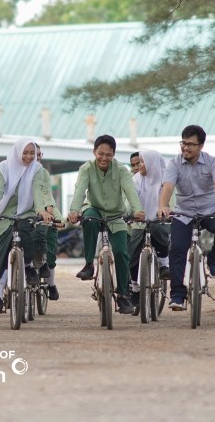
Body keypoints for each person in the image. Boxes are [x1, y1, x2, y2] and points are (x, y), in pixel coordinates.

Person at [156, 124, 215, 311]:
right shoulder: (174, 163)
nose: (186, 148)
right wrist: (163, 206)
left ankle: (214, 259)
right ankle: (177, 294)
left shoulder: (213, 163)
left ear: (201, 146)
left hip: (209, 209)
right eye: (183, 143)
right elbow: (167, 187)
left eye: (191, 144)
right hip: (183, 213)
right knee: (176, 249)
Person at [67, 134, 143, 314]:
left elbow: (130, 190)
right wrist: (74, 210)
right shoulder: (86, 168)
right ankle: (88, 265)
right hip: (93, 208)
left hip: (116, 215)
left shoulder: (122, 170)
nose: (104, 158)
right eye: (100, 154)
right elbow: (80, 190)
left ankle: (123, 295)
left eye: (108, 155)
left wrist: (137, 209)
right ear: (94, 152)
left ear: (114, 154)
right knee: (90, 220)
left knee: (121, 252)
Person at [0, 138, 54, 314]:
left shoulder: (37, 169)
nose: (29, 157)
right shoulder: (4, 167)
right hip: (4, 215)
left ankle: (30, 266)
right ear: (18, 152)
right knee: (0, 254)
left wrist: (41, 210)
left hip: (26, 214)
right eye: (25, 152)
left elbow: (38, 191)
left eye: (32, 153)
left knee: (26, 234)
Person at [128, 149, 171, 305]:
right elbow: (130, 199)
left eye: (142, 162)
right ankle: (134, 286)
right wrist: (130, 213)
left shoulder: (166, 180)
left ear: (152, 163)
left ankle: (164, 264)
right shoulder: (136, 179)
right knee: (131, 251)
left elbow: (172, 201)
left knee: (159, 231)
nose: (139, 165)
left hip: (160, 220)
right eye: (139, 162)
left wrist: (168, 211)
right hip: (140, 222)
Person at [34, 145, 64, 301]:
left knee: (50, 250)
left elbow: (48, 197)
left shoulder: (44, 173)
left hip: (47, 213)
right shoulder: (18, 173)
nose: (37, 157)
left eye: (39, 154)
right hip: (28, 216)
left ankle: (50, 284)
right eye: (34, 154)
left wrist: (56, 216)